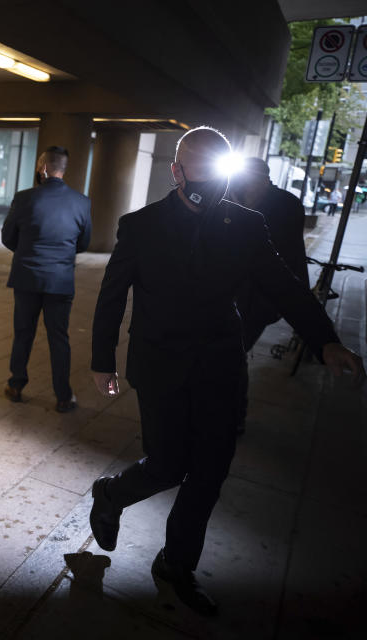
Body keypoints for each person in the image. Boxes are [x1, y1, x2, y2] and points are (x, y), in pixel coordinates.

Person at [89, 127, 364, 616]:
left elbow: (285, 286)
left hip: (220, 363)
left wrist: (325, 340)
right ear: (176, 171)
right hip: (160, 365)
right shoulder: (141, 225)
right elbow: (112, 297)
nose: (211, 179)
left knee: (211, 471)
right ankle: (111, 494)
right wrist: (101, 362)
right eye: (199, 166)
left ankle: (176, 565)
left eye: (220, 167)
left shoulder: (248, 224)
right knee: (168, 465)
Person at [1, 146, 91, 412]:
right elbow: (84, 243)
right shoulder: (82, 202)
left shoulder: (24, 198)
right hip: (60, 281)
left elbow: (8, 237)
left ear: (42, 167)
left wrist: (28, 250)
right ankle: (63, 396)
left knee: (23, 334)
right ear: (63, 169)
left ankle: (16, 385)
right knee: (59, 337)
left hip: (27, 277)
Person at [229, 158, 309, 433]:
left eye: (249, 180)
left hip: (260, 297)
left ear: (263, 179)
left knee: (234, 354)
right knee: (230, 354)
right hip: (232, 294)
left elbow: (285, 257)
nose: (245, 185)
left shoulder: (284, 205)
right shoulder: (234, 197)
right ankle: (229, 412)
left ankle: (234, 415)